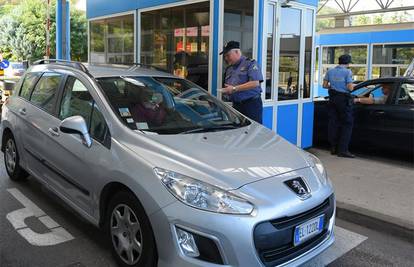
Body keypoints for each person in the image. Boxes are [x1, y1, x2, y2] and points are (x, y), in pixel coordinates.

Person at [220, 41, 264, 123]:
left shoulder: (250, 64)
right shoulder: (229, 69)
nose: (226, 58)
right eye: (225, 56)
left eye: (228, 55)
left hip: (251, 105)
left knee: (253, 131)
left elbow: (255, 83)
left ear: (237, 52)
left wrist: (234, 88)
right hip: (236, 105)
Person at [323, 54, 356, 158]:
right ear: (348, 63)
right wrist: (352, 86)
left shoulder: (330, 71)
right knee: (347, 124)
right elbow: (350, 88)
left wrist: (333, 87)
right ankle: (343, 150)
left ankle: (333, 147)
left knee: (333, 122)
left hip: (332, 98)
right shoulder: (347, 72)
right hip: (343, 99)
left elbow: (324, 85)